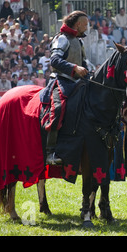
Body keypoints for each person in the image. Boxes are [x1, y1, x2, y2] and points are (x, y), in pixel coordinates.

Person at [40, 11, 89, 165]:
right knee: (58, 109)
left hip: (77, 82)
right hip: (61, 81)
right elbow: (54, 60)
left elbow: (85, 64)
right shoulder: (62, 38)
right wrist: (74, 68)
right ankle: (51, 152)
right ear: (78, 24)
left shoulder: (78, 42)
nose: (87, 28)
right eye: (85, 24)